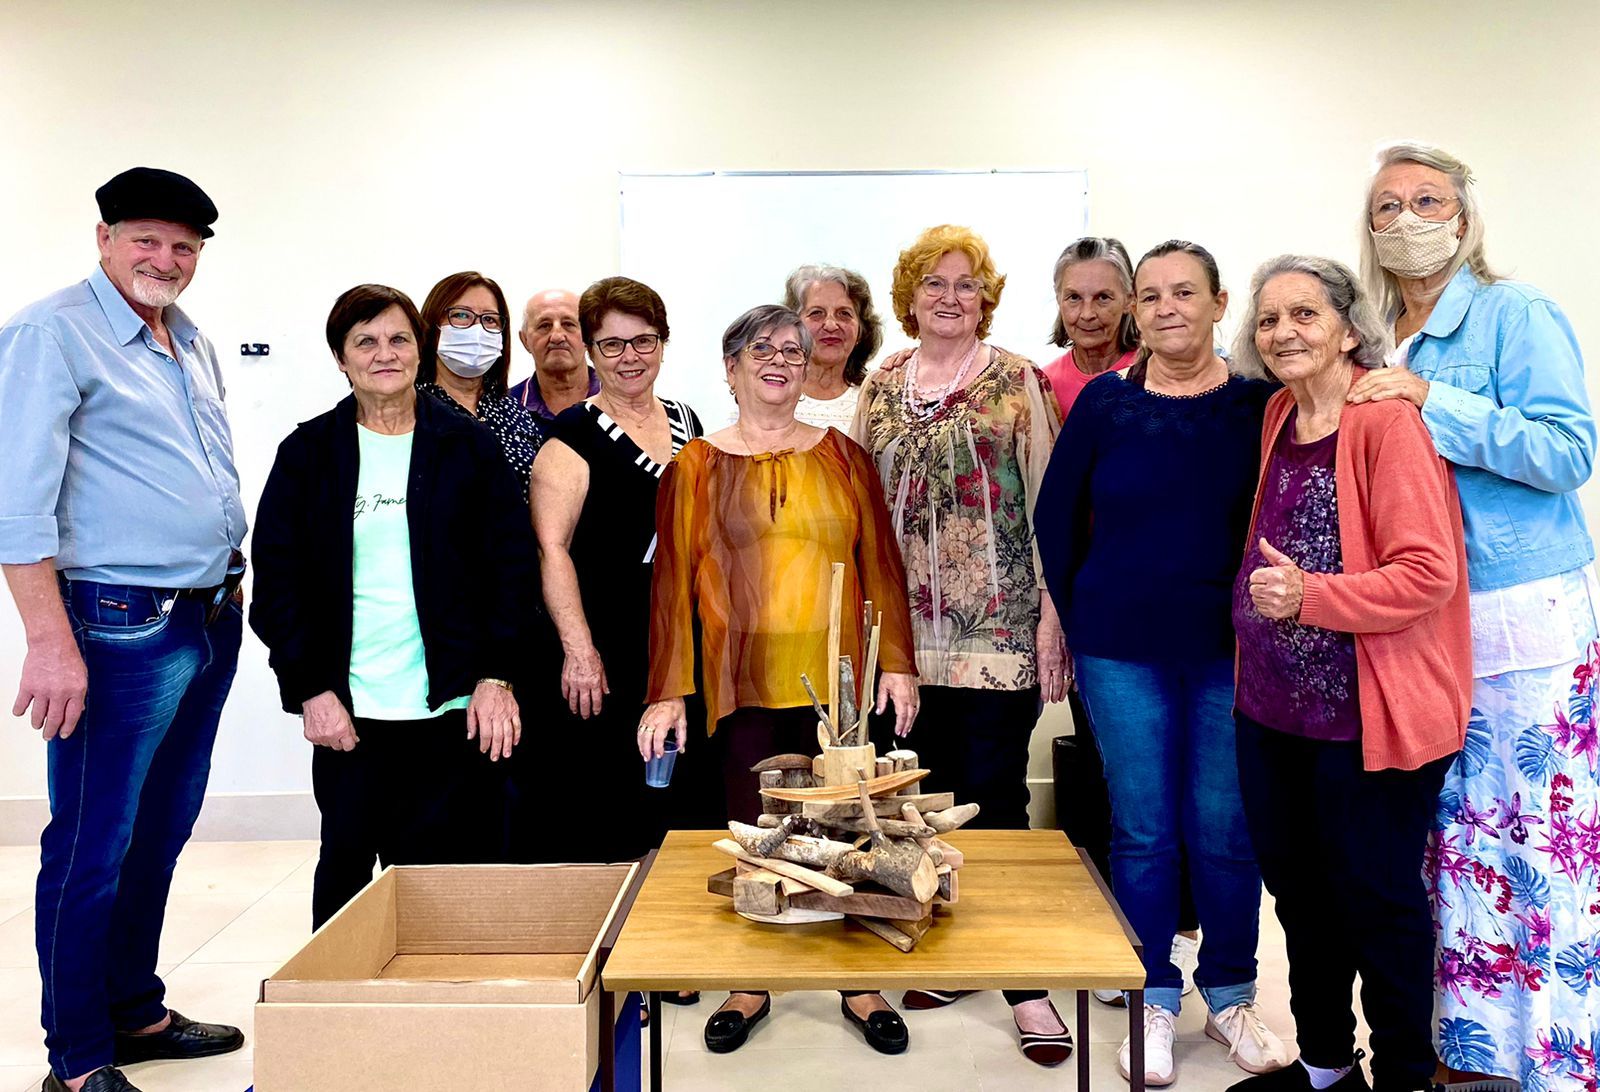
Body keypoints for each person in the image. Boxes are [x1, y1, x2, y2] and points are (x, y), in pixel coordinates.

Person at [1349, 142, 1599, 1089]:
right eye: (1387, 206)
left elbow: (1567, 452)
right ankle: (1470, 1047)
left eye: (1428, 200)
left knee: (1535, 834)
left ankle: (1556, 1054)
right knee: (1449, 838)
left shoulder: (1512, 313)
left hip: (1520, 609)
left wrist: (1433, 400)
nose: (1407, 219)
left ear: (1464, 217)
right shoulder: (1375, 334)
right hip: (1421, 615)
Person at [0, 168, 246, 1092]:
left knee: (162, 827)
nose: (166, 260)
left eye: (184, 246)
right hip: (115, 623)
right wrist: (48, 640)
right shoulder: (50, 334)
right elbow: (15, 505)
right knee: (92, 842)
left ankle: (134, 1010)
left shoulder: (189, 340)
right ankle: (77, 1058)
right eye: (146, 239)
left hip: (208, 612)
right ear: (103, 238)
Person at [1037, 240, 1289, 1086]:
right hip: (1120, 650)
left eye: (1185, 292)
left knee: (1225, 828)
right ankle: (1150, 994)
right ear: (1135, 313)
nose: (1167, 307)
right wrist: (1078, 618)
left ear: (1219, 304)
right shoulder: (1104, 404)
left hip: (1230, 649)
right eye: (1150, 296)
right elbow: (1056, 518)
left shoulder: (1261, 405)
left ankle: (1230, 995)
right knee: (1143, 831)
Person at [642, 304, 919, 1057]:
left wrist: (897, 663)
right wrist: (666, 690)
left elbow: (880, 565)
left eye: (792, 351)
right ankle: (752, 980)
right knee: (756, 828)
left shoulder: (845, 457)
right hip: (740, 680)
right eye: (760, 349)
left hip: (838, 680)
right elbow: (670, 587)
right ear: (730, 369)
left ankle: (857, 983)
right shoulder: (694, 466)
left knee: (851, 827)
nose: (778, 361)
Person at [1228, 254, 1471, 1092]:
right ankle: (1327, 1068)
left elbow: (1427, 573)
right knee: (1300, 899)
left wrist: (1310, 597)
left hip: (1367, 718)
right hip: (1270, 711)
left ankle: (1405, 1077)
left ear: (1346, 329)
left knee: (1377, 902)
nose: (1283, 332)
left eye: (1304, 314)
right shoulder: (1277, 413)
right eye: (1268, 319)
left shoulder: (1386, 421)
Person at [851, 223, 1073, 1066]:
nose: (950, 297)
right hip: (902, 643)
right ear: (909, 297)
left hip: (998, 637)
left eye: (966, 284)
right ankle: (958, 953)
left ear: (986, 298)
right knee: (920, 805)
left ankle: (1022, 982)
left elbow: (1051, 507)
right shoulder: (880, 387)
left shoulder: (1019, 382)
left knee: (995, 802)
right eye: (934, 283)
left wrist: (1053, 619)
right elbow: (862, 515)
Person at [250, 284, 538, 930]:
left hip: (452, 714)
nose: (385, 353)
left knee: (446, 894)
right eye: (366, 341)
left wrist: (497, 676)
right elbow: (278, 586)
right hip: (351, 715)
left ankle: (444, 999)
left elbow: (512, 571)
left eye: (399, 339)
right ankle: (337, 995)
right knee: (346, 886)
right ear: (341, 357)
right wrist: (310, 689)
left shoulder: (467, 447)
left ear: (419, 348)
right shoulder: (308, 455)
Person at [528, 276, 704, 865]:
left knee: (683, 810)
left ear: (663, 343)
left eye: (644, 341)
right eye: (611, 344)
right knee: (610, 807)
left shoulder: (689, 423)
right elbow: (552, 549)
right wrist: (579, 651)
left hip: (679, 644)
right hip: (605, 650)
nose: (630, 357)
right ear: (591, 351)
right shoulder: (571, 435)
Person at [416, 271, 544, 498]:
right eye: (461, 315)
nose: (477, 329)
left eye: (489, 319)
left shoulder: (513, 410)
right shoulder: (412, 408)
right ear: (432, 325)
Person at [1039, 236, 1141, 420]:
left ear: (1129, 300)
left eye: (1102, 297)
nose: (1087, 314)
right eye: (1074, 297)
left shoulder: (1154, 374)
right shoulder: (1046, 385)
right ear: (1059, 299)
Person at [781, 264, 884, 430]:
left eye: (844, 314)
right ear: (793, 328)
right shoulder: (770, 395)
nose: (830, 325)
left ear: (861, 330)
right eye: (816, 313)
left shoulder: (877, 402)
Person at [510, 289, 600, 421]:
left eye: (568, 324)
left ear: (589, 336)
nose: (557, 337)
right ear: (525, 340)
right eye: (545, 326)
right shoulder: (505, 409)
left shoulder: (620, 399)